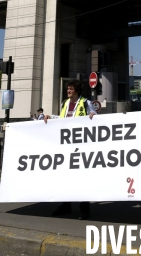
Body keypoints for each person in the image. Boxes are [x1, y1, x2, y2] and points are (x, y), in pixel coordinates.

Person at [44, 79, 97, 219]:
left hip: (81, 147)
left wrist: (93, 116)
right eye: (68, 88)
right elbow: (62, 119)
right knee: (65, 176)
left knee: (81, 178)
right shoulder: (65, 103)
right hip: (66, 146)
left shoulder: (86, 103)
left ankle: (84, 208)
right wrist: (50, 117)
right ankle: (66, 204)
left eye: (71, 89)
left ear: (77, 91)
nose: (68, 90)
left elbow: (96, 119)